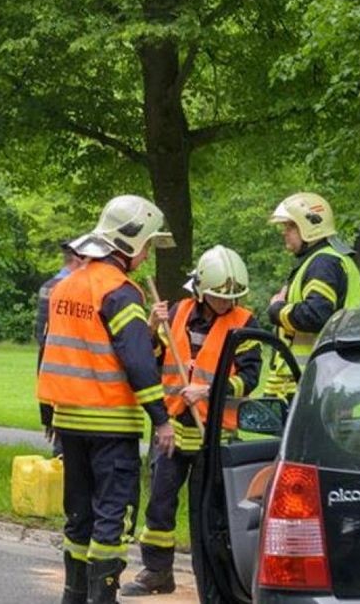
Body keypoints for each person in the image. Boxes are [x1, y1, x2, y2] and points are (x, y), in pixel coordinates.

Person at [38, 195, 177, 604]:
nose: (149, 252)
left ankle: (73, 596)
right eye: (148, 244)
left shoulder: (67, 286)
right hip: (112, 424)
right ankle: (104, 598)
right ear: (130, 243)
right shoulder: (120, 292)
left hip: (69, 422)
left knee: (78, 518)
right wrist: (162, 419)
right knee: (111, 523)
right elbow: (137, 363)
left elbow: (61, 350)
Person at [120, 246, 262, 597]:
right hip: (172, 426)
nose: (225, 304)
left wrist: (210, 390)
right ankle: (156, 572)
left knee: (207, 513)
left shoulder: (245, 323)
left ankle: (211, 580)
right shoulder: (178, 313)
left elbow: (250, 377)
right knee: (160, 504)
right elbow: (152, 359)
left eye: (231, 298)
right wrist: (152, 329)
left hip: (213, 431)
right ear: (200, 290)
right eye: (217, 297)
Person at [265, 192, 360, 401]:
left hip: (316, 383)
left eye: (290, 226)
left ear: (310, 227)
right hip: (319, 381)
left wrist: (277, 309)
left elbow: (316, 315)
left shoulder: (323, 263)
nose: (285, 233)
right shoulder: (324, 261)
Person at [36, 239, 87, 452]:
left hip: (52, 378)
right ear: (78, 259)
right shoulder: (71, 290)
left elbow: (41, 338)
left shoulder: (48, 286)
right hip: (74, 379)